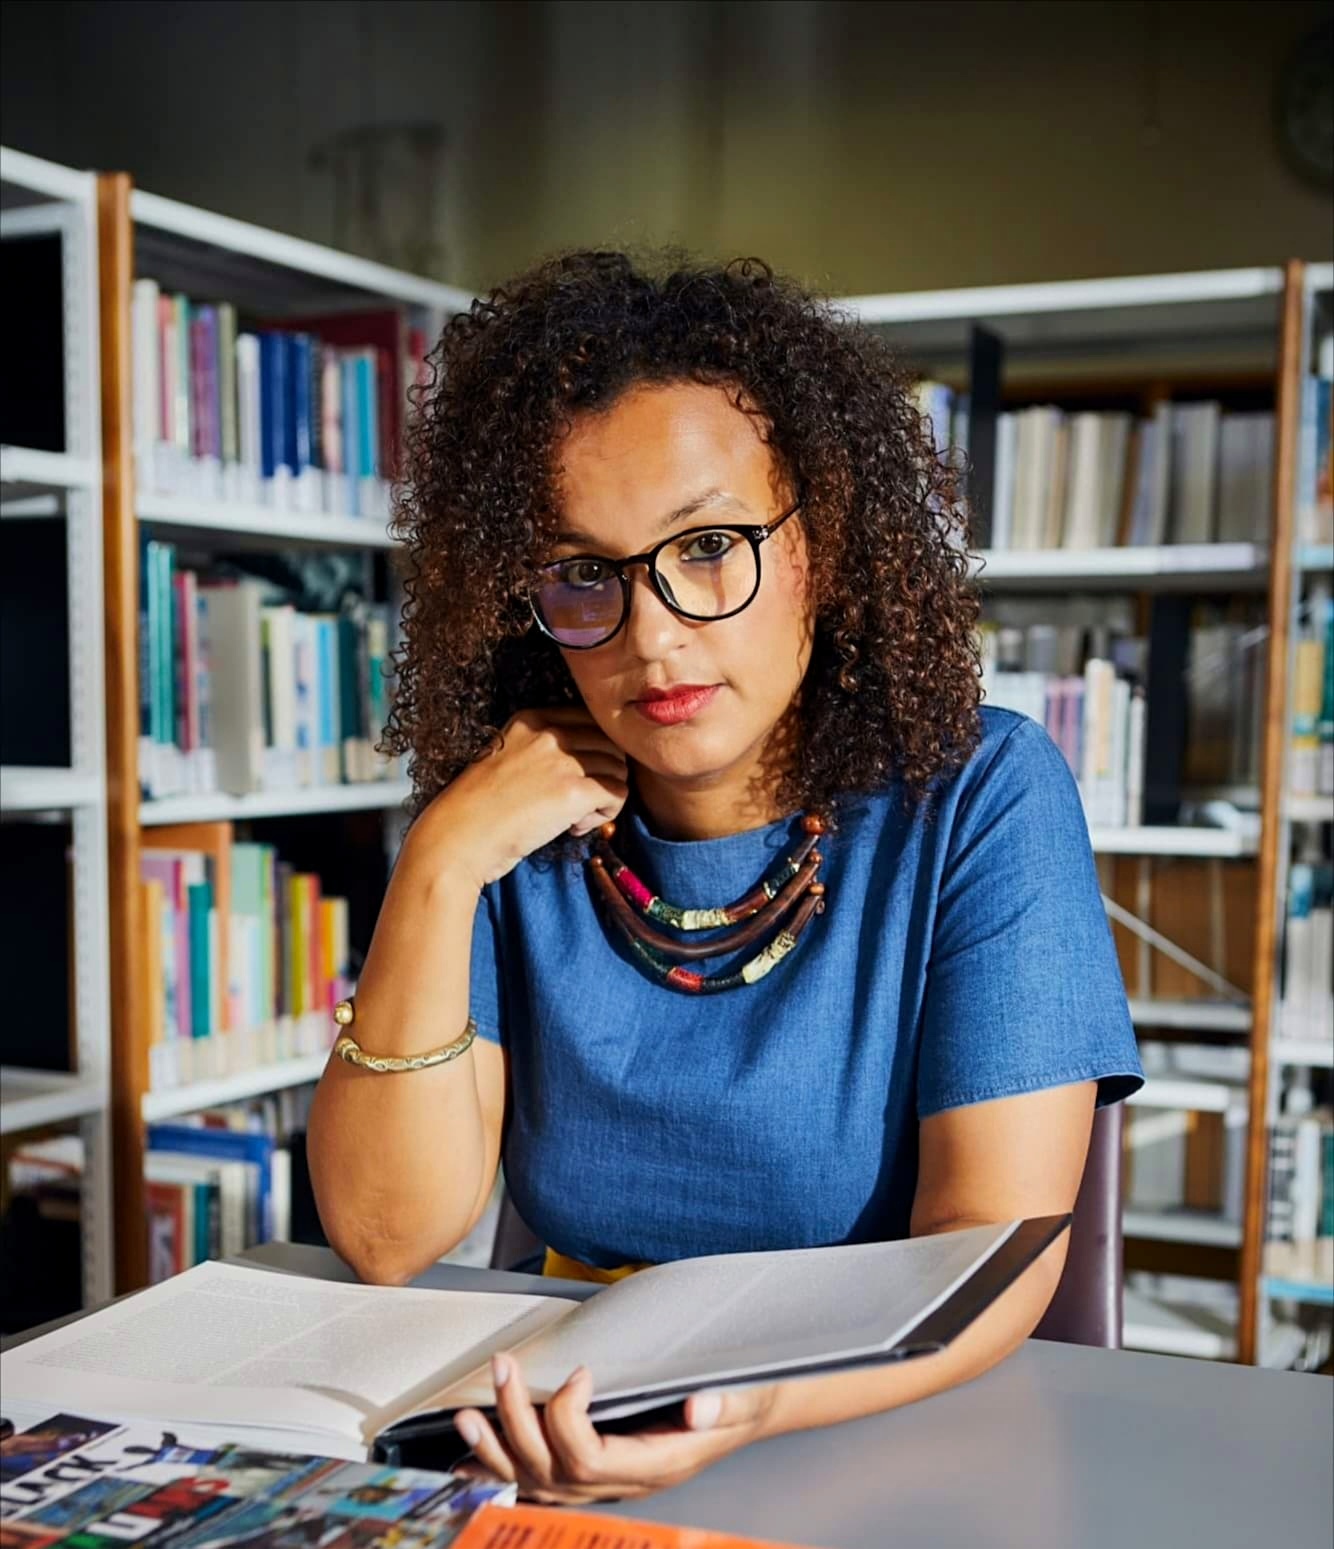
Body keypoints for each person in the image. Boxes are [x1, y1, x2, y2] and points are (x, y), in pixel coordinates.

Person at [308, 251, 1143, 1504]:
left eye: (707, 545)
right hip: (559, 1438)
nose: (650, 632)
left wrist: (732, 1410)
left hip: (877, 1434)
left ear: (824, 543)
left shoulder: (978, 793)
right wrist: (437, 859)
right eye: (582, 570)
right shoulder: (508, 830)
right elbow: (384, 1237)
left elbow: (989, 1251)